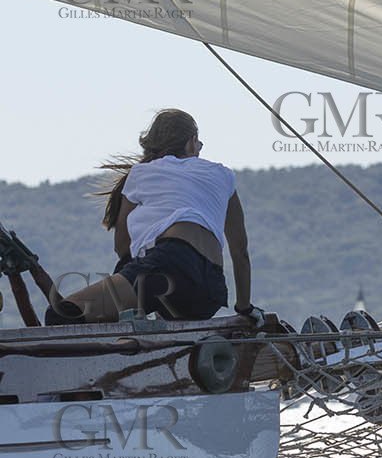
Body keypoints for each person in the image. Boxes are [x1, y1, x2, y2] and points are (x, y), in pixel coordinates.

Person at [46, 109, 253, 324]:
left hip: (170, 267)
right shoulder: (223, 175)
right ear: (192, 142)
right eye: (199, 145)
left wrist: (130, 280)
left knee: (61, 315)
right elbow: (241, 253)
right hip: (211, 290)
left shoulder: (141, 173)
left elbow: (122, 247)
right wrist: (244, 308)